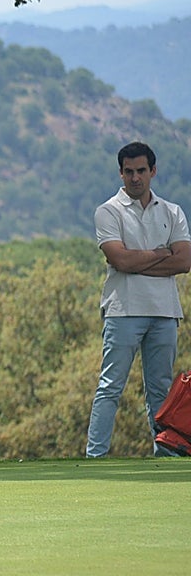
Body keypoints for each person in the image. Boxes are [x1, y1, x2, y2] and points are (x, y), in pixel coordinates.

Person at [87, 141, 191, 457]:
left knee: (161, 391)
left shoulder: (172, 212)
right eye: (129, 171)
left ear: (152, 171)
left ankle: (166, 453)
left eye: (141, 171)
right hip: (123, 310)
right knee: (110, 387)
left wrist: (139, 261)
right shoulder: (108, 211)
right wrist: (161, 254)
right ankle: (96, 455)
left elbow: (184, 262)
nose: (135, 178)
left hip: (164, 311)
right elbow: (121, 262)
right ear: (121, 173)